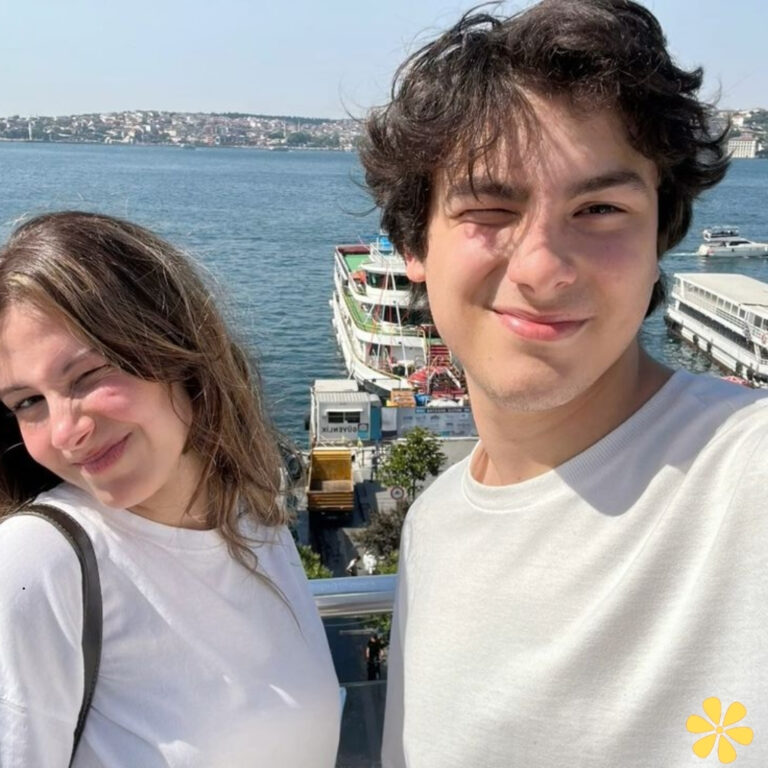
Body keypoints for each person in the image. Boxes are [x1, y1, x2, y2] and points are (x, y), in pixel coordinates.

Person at [360, 2, 768, 766]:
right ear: (414, 243)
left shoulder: (744, 478)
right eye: (490, 207)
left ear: (659, 238)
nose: (543, 268)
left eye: (601, 208)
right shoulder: (434, 527)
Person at [0, 212, 341, 767]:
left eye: (87, 375)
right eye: (28, 402)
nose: (64, 432)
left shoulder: (253, 513)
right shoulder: (33, 565)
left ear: (176, 349)